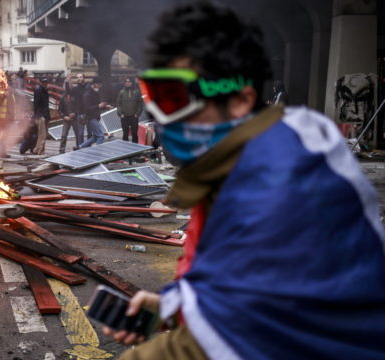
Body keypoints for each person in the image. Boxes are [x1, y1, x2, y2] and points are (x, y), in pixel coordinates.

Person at [105, 3, 385, 359]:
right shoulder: (238, 166)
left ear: (239, 99)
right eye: (157, 98)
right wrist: (174, 305)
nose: (163, 119)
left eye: (178, 99)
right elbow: (230, 279)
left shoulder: (282, 186)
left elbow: (242, 337)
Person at [79, 77, 111, 148]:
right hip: (90, 117)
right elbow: (87, 109)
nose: (100, 86)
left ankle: (80, 147)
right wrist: (99, 106)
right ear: (94, 84)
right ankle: (98, 152)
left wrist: (105, 106)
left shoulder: (95, 92)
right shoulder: (87, 94)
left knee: (95, 136)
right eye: (99, 84)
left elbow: (96, 105)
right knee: (100, 136)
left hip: (95, 117)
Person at [116, 77, 143, 143]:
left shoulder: (136, 91)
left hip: (134, 116)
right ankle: (126, 150)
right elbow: (118, 103)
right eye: (126, 82)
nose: (128, 83)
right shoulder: (121, 92)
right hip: (124, 117)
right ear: (124, 83)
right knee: (125, 134)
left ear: (132, 83)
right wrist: (120, 113)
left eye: (129, 82)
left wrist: (138, 113)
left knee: (134, 134)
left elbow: (140, 103)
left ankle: (136, 150)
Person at [67, 73, 87, 146]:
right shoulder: (75, 89)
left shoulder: (88, 87)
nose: (79, 78)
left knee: (90, 132)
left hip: (88, 112)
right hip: (80, 112)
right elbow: (68, 93)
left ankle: (88, 147)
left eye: (81, 77)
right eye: (78, 77)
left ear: (84, 78)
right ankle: (81, 147)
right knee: (80, 132)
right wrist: (67, 82)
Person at [32, 77, 50, 155]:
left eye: (45, 82)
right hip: (41, 115)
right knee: (42, 134)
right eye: (43, 82)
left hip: (44, 114)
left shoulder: (43, 90)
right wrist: (39, 116)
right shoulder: (39, 90)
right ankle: (38, 150)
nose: (45, 83)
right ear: (40, 82)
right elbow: (36, 104)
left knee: (43, 134)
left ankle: (41, 150)